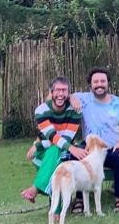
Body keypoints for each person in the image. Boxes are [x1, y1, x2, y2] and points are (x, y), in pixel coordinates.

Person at [70, 67, 119, 213]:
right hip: (90, 148)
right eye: (95, 81)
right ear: (90, 84)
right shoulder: (83, 99)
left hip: (110, 147)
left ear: (108, 83)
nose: (99, 84)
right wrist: (72, 97)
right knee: (75, 156)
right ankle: (79, 200)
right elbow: (61, 94)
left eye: (103, 81)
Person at [20, 76, 87, 204]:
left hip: (60, 150)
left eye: (64, 90)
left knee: (55, 151)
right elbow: (52, 136)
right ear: (51, 92)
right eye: (57, 90)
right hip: (46, 152)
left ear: (68, 94)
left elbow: (67, 138)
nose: (60, 94)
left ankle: (37, 189)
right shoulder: (41, 110)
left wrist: (40, 144)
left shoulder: (75, 111)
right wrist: (39, 145)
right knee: (55, 149)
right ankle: (51, 201)